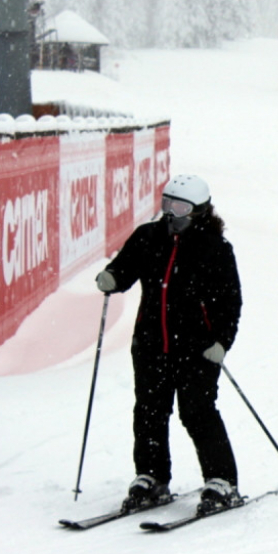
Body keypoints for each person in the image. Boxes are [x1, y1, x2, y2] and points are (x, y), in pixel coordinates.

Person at [95, 175, 243, 514]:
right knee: (149, 410)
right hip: (150, 344)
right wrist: (113, 277)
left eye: (178, 207)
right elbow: (125, 266)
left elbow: (229, 303)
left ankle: (222, 481)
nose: (169, 213)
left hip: (197, 351)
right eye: (165, 203)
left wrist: (222, 342)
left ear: (200, 211)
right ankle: (151, 477)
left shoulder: (215, 249)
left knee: (197, 412)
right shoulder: (149, 237)